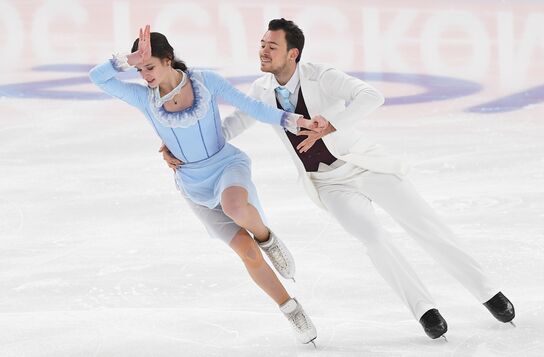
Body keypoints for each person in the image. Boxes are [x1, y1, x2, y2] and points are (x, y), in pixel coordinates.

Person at [160, 18, 516, 340]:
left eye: (272, 46)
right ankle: (425, 310)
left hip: (364, 165)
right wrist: (186, 146)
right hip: (327, 183)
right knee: (373, 238)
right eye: (262, 44)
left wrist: (331, 124)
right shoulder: (261, 89)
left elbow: (370, 96)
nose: (263, 51)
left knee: (426, 226)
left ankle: (489, 293)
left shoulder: (321, 75)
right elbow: (234, 124)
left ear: (293, 53)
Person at [89, 25, 319, 344]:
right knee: (244, 250)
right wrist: (129, 59)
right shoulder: (145, 99)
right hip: (192, 183)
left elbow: (251, 106)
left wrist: (294, 121)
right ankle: (290, 307)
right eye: (140, 70)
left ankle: (267, 237)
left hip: (225, 164)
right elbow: (97, 77)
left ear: (168, 60)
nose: (145, 76)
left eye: (150, 66)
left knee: (235, 206)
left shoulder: (204, 81)